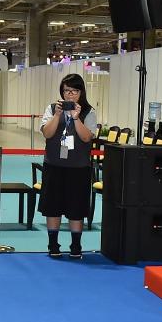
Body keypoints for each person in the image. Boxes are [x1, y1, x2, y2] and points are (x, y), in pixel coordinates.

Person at [38, 73, 98, 259]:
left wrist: (76, 117)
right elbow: (47, 133)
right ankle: (53, 244)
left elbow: (86, 137)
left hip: (78, 168)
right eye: (66, 91)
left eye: (74, 91)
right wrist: (57, 115)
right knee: (53, 206)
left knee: (76, 208)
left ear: (81, 92)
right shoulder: (51, 109)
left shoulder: (88, 112)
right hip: (54, 165)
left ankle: (76, 245)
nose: (70, 95)